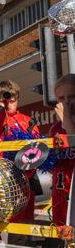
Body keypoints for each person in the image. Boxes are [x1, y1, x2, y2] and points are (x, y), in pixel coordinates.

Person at [0, 80, 40, 242]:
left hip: (22, 180)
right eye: (3, 100)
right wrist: (1, 114)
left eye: (12, 101)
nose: (8, 104)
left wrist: (27, 173)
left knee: (21, 227)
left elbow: (37, 148)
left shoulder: (28, 121)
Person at [50, 74, 75, 226]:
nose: (66, 102)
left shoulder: (65, 123)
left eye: (71, 96)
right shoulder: (55, 129)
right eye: (61, 98)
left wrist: (67, 120)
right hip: (60, 195)